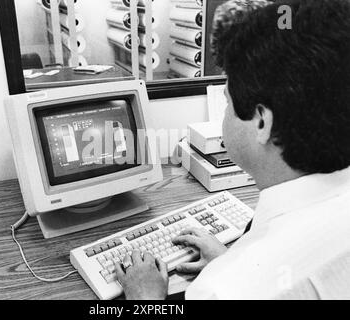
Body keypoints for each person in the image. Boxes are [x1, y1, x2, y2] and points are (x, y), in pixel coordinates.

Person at [114, 0, 350, 299]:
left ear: (262, 122)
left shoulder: (222, 289)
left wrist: (146, 298)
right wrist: (231, 257)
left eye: (227, 100)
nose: (225, 111)